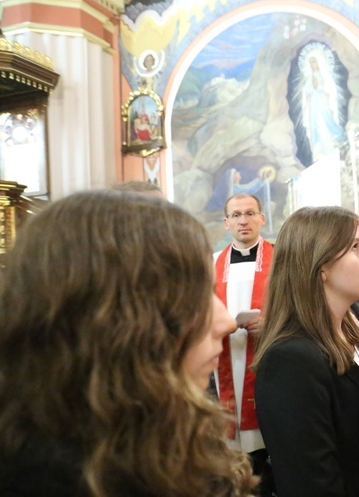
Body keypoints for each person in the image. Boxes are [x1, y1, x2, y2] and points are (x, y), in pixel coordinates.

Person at [0, 190, 255, 496]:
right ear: (113, 321)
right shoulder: (49, 478)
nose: (226, 323)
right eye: (196, 296)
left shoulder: (155, 432)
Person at [252, 206, 359, 497]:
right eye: (354, 247)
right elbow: (310, 481)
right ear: (319, 264)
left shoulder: (356, 334)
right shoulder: (290, 359)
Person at [213, 192, 275, 493]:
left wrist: (272, 322)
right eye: (236, 215)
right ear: (226, 222)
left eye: (250, 213)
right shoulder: (211, 264)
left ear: (262, 218)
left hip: (269, 360)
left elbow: (299, 306)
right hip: (224, 363)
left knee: (268, 451)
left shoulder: (281, 259)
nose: (243, 220)